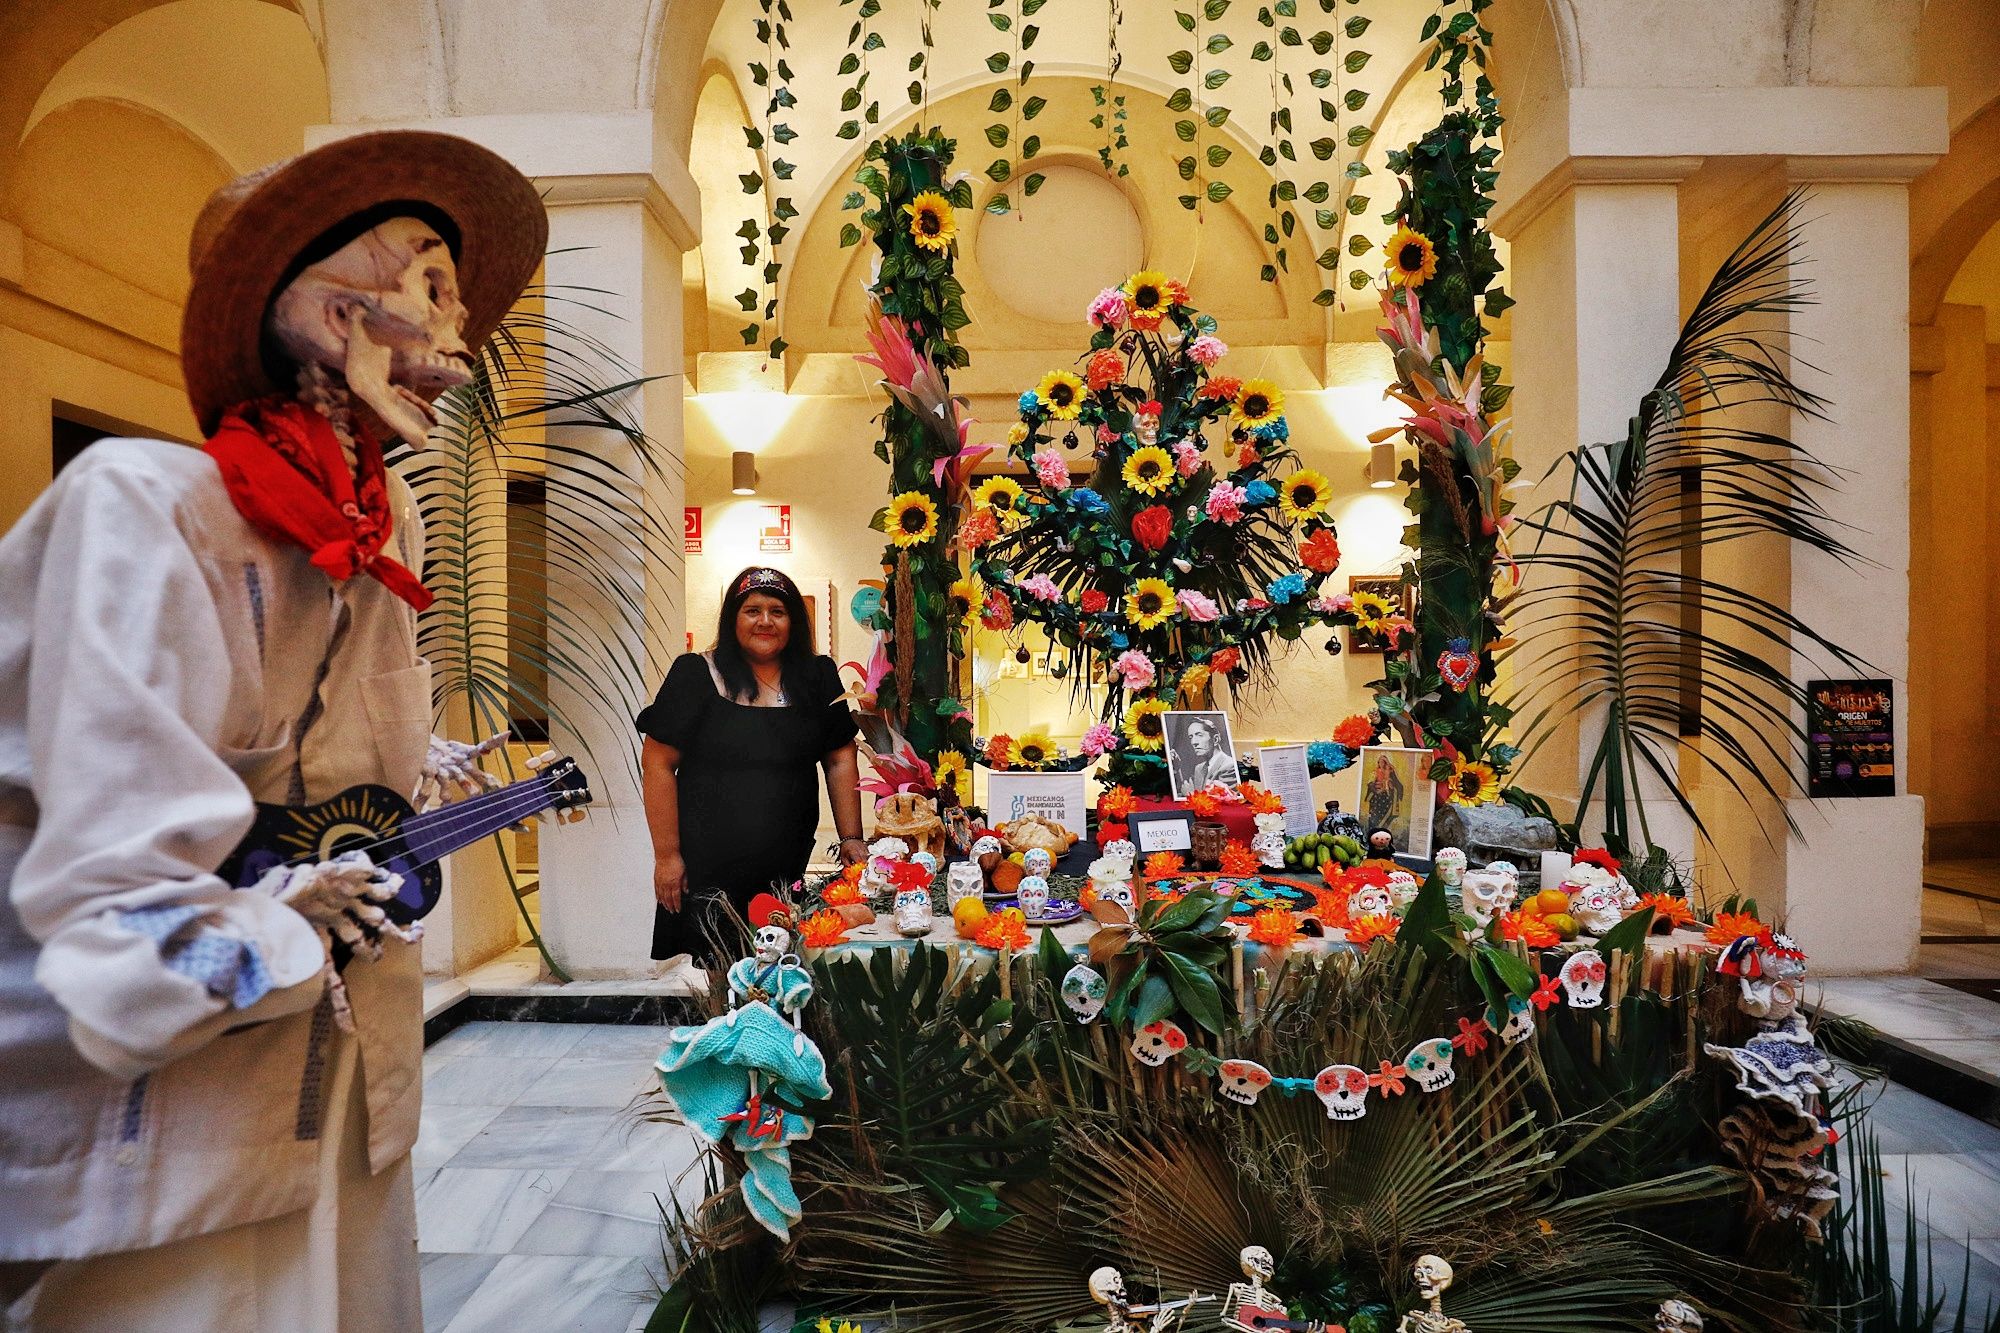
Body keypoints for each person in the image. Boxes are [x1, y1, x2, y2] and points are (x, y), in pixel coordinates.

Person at [0, 132, 546, 1330]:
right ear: (321, 303)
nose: (463, 349)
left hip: (349, 1086)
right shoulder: (146, 508)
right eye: (433, 290)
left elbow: (367, 780)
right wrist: (268, 921)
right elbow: (113, 904)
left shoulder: (376, 538)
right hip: (167, 1117)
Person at [639, 567, 865, 965]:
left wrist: (851, 837)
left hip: (786, 859)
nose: (765, 621)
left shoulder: (817, 676)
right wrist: (666, 856)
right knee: (724, 969)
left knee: (785, 961)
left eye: (777, 611)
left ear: (793, 621)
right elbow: (658, 762)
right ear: (733, 619)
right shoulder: (695, 673)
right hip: (710, 864)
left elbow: (839, 757)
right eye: (752, 610)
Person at [1173, 714, 1240, 793]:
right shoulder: (1199, 768)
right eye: (1191, 737)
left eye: (1199, 735)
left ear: (1215, 739)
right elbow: (1186, 788)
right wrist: (1177, 768)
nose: (1194, 742)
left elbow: (1225, 801)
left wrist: (1191, 794)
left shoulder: (1229, 766)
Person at [1364, 753, 1405, 837]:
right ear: (1378, 763)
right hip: (1376, 796)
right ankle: (1373, 833)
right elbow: (1370, 783)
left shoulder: (1390, 771)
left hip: (1386, 796)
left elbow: (1397, 783)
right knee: (1374, 815)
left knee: (1386, 813)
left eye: (1383, 762)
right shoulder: (1374, 772)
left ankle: (1384, 832)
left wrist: (1389, 784)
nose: (1381, 763)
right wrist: (1376, 788)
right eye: (1380, 762)